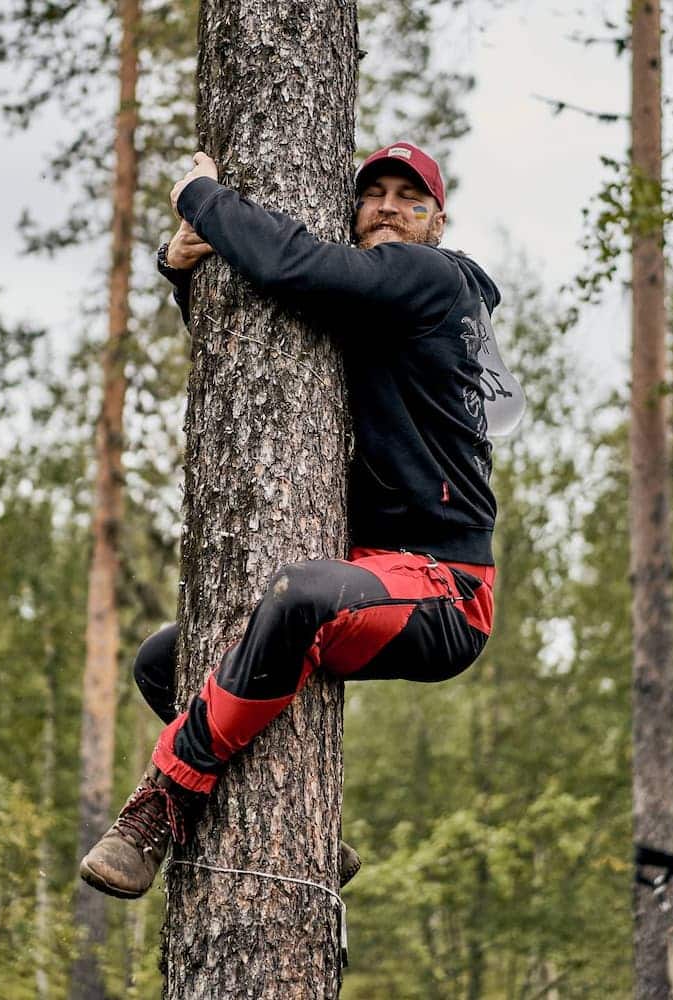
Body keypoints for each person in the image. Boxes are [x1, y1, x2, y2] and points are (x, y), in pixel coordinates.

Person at [80, 142, 505, 900]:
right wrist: (182, 269)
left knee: (302, 596)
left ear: (439, 222)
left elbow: (294, 266)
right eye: (372, 192)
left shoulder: (431, 279)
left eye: (410, 198)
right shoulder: (379, 309)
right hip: (372, 572)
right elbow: (258, 343)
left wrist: (202, 201)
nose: (386, 208)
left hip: (447, 589)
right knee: (162, 663)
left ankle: (160, 804)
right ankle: (304, 823)